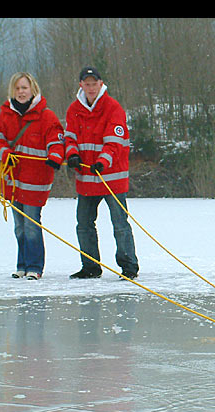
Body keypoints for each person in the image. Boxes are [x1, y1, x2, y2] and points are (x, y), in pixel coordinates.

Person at [64, 66, 139, 280]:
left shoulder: (113, 108)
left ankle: (129, 267)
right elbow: (69, 137)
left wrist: (102, 162)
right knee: (84, 225)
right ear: (81, 85)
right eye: (86, 84)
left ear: (100, 83)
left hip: (111, 179)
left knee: (120, 224)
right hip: (86, 179)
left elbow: (114, 142)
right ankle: (90, 267)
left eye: (93, 83)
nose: (90, 87)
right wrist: (72, 155)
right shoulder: (73, 110)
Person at [0, 72, 65, 280]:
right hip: (13, 181)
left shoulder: (46, 115)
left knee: (32, 224)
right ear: (12, 91)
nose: (21, 92)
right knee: (19, 227)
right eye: (17, 88)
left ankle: (35, 267)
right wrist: (4, 153)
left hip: (36, 181)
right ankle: (21, 264)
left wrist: (55, 156)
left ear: (33, 89)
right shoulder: (6, 115)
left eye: (24, 88)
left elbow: (56, 140)